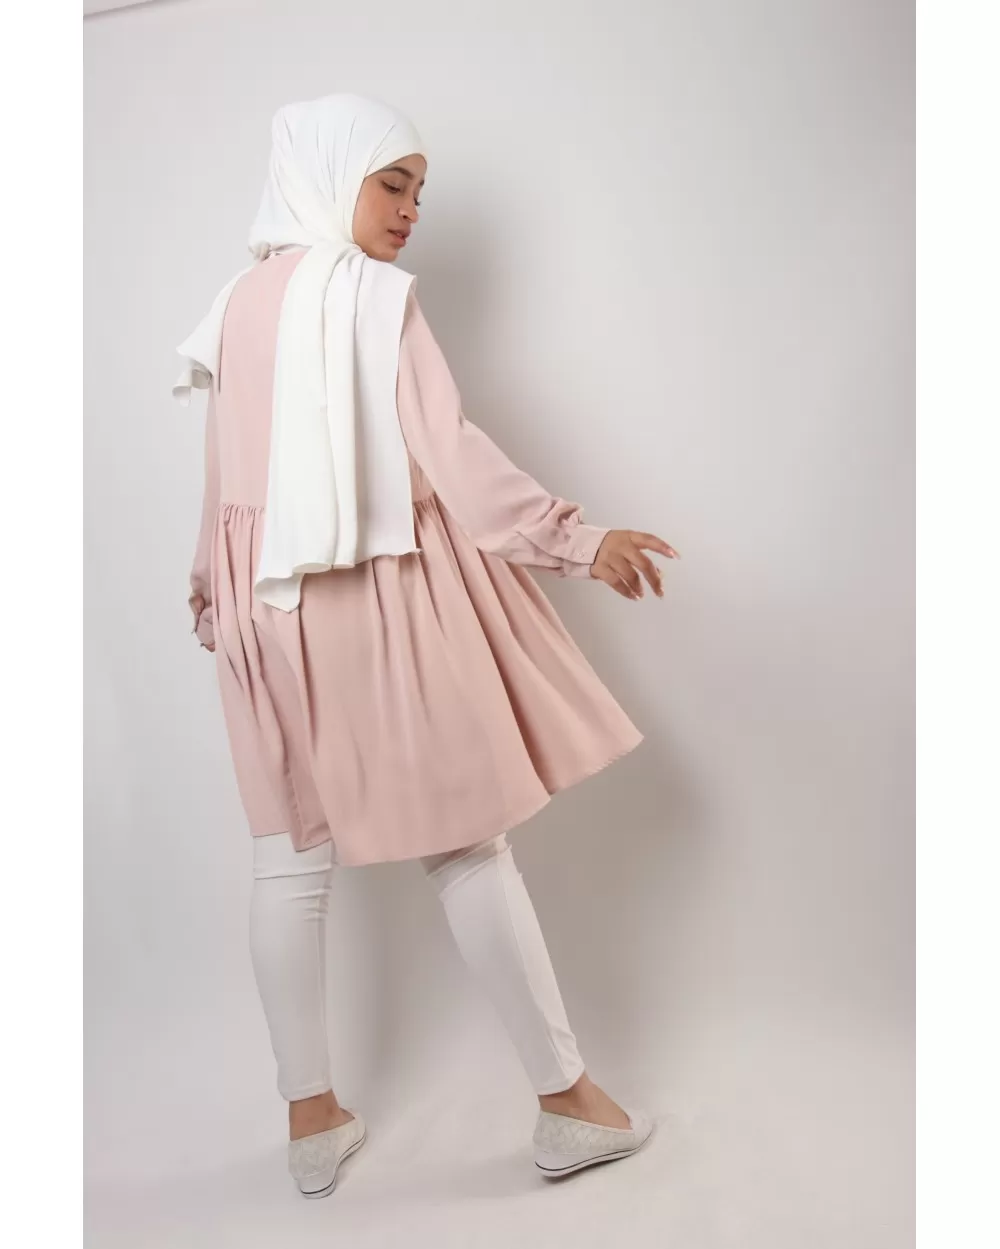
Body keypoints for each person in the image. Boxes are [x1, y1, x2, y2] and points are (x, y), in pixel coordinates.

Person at [177, 93, 680, 1199]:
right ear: (330, 177)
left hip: (260, 608)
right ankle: (567, 1103)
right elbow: (450, 450)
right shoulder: (371, 296)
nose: (411, 211)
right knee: (465, 846)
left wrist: (212, 588)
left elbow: (222, 468)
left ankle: (311, 1121)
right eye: (392, 183)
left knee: (285, 862)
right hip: (370, 593)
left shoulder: (237, 300)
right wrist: (577, 539)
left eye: (420, 192)